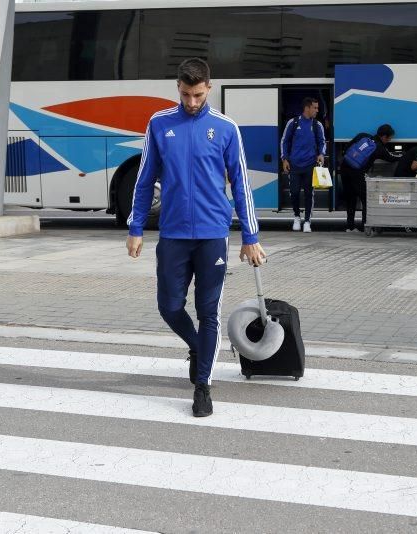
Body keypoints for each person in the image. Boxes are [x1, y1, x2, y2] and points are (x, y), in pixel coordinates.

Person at [126, 58, 265, 418]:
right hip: (172, 234)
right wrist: (136, 227)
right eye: (186, 94)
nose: (191, 102)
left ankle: (202, 386)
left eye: (198, 95)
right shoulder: (159, 124)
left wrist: (251, 236)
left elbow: (242, 184)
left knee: (208, 313)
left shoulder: (225, 128)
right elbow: (144, 181)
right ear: (178, 87)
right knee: (169, 307)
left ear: (209, 88)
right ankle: (198, 348)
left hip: (212, 235)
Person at [340, 124, 399, 232]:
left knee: (350, 198)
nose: (389, 140)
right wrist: (404, 156)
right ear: (384, 137)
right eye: (389, 138)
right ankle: (365, 226)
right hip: (357, 173)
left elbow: (347, 147)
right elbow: (391, 158)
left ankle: (350, 226)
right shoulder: (379, 147)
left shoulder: (362, 136)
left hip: (344, 168)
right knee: (366, 198)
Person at [280, 97, 326, 233]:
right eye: (315, 108)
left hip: (310, 165)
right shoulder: (293, 123)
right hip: (294, 165)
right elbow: (284, 141)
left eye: (317, 108)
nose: (317, 111)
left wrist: (321, 154)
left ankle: (307, 221)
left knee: (308, 194)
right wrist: (285, 159)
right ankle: (296, 216)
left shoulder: (317, 125)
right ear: (307, 108)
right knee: (294, 193)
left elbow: (322, 142)